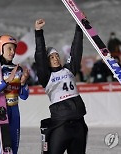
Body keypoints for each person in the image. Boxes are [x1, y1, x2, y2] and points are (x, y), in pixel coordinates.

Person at [34, 19, 88, 154]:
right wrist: (39, 33)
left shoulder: (68, 70)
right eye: (51, 57)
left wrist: (79, 27)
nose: (55, 58)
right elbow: (40, 56)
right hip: (61, 125)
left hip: (79, 122)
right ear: (47, 62)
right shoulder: (46, 77)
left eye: (56, 55)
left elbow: (76, 51)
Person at [0, 35, 29, 154]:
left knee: (13, 149)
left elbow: (24, 96)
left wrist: (23, 83)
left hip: (14, 112)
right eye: (9, 48)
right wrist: (6, 81)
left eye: (14, 49)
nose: (12, 52)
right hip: (0, 112)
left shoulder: (18, 69)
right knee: (0, 149)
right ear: (0, 49)